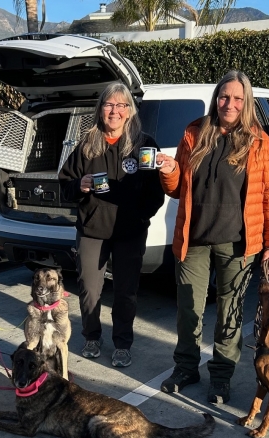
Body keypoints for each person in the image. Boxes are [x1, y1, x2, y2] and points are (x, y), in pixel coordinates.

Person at [158, 70, 269, 404]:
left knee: (230, 314)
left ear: (247, 103)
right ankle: (185, 368)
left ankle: (221, 377)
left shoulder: (260, 143)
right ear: (217, 98)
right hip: (194, 239)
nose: (229, 103)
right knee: (189, 310)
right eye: (224, 96)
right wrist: (169, 173)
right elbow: (178, 189)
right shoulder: (195, 133)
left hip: (237, 245)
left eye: (237, 98)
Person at [58, 83, 165, 368]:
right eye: (108, 105)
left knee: (125, 291)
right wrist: (78, 186)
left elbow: (156, 193)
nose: (114, 111)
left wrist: (140, 217)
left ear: (130, 111)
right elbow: (64, 185)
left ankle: (122, 344)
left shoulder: (145, 145)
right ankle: (92, 337)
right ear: (100, 110)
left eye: (121, 106)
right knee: (89, 289)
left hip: (130, 232)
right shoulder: (87, 145)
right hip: (92, 230)